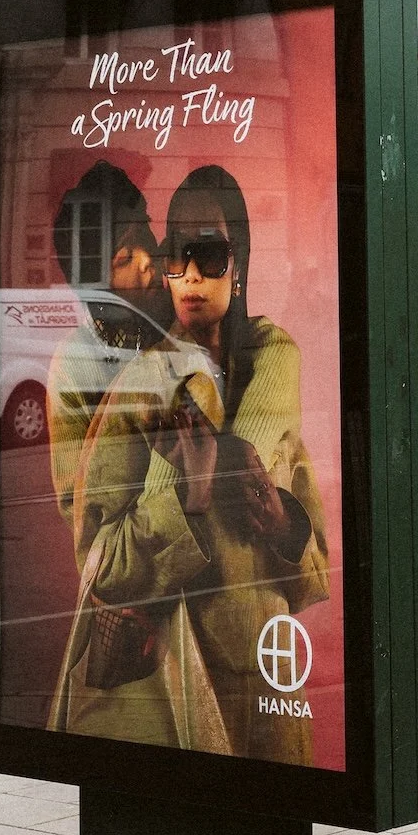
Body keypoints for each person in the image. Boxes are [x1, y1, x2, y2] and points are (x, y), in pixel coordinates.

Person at [48, 165, 329, 762]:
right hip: (167, 663)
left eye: (151, 246)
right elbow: (95, 546)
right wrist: (186, 496)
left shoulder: (264, 359)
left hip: (267, 667)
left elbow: (312, 559)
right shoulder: (93, 370)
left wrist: (281, 521)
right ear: (92, 281)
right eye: (127, 258)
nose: (157, 267)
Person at [44, 163, 167, 523]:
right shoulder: (73, 364)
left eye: (144, 233)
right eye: (125, 258)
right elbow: (78, 507)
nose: (146, 260)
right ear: (95, 281)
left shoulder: (178, 322)